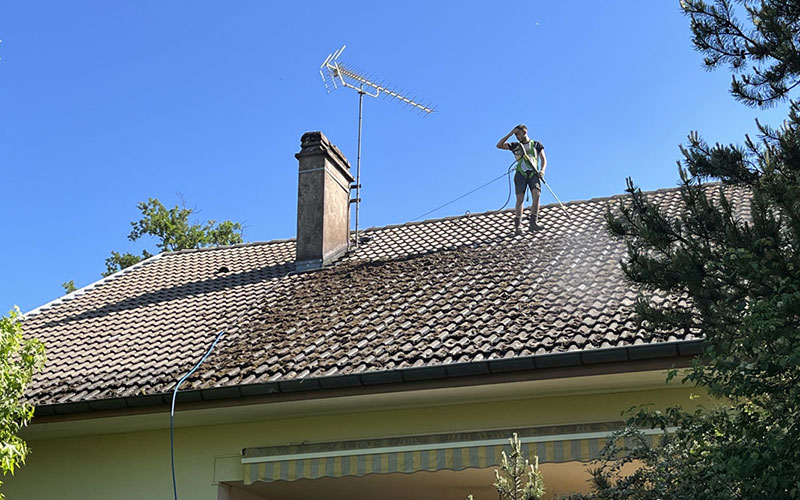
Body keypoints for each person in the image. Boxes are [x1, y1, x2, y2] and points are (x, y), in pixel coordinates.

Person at [496, 124, 548, 234]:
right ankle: (518, 225)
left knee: (536, 194)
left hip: (533, 173)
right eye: (515, 135)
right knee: (520, 198)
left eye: (518, 134)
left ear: (525, 132)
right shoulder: (515, 146)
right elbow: (499, 145)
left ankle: (533, 222)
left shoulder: (537, 144)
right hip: (521, 174)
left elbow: (544, 159)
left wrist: (542, 171)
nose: (516, 137)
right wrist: (510, 133)